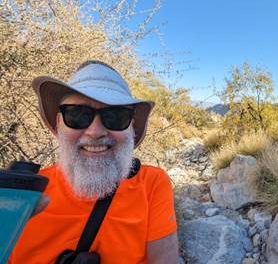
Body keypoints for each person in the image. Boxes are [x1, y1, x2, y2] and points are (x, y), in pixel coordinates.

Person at [8, 60, 179, 264]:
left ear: (131, 128)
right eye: (77, 114)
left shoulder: (151, 184)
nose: (95, 132)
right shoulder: (23, 194)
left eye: (115, 116)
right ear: (58, 123)